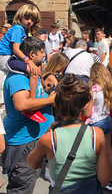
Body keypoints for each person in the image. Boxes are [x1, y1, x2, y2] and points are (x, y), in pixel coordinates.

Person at [27, 75, 110, 193]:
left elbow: (32, 163)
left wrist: (46, 133)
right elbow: (105, 179)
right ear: (85, 105)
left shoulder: (48, 139)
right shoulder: (97, 134)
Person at [2, 37, 55, 194]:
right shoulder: (18, 77)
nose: (44, 55)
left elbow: (34, 97)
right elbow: (22, 104)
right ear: (32, 54)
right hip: (23, 143)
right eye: (41, 52)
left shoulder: (31, 73)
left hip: (33, 140)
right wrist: (50, 99)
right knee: (22, 188)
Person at [86, 63, 112, 190]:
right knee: (109, 151)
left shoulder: (93, 90)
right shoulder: (111, 87)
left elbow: (87, 112)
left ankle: (100, 179)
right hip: (107, 120)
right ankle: (111, 180)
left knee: (96, 155)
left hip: (95, 123)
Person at [0, 4, 40, 74]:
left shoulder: (25, 31)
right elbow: (16, 49)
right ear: (20, 17)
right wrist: (28, 61)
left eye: (32, 20)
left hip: (12, 57)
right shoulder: (18, 29)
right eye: (27, 18)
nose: (29, 21)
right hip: (5, 57)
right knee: (32, 71)